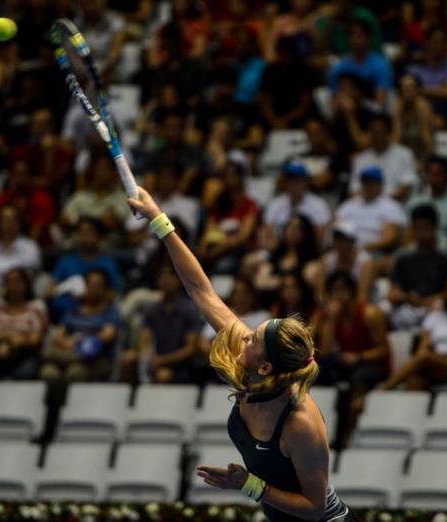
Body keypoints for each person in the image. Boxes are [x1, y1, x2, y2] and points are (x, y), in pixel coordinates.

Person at [127, 185, 356, 522]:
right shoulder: (257, 362)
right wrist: (159, 220)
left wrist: (250, 485)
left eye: (253, 339)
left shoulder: (300, 423)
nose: (243, 335)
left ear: (264, 367)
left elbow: (316, 507)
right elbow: (199, 288)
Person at [316, 271, 390, 441]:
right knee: (320, 369)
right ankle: (321, 427)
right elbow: (325, 351)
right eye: (333, 292)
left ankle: (348, 436)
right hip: (350, 362)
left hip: (373, 364)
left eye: (342, 290)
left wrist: (359, 357)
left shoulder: (370, 314)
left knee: (359, 376)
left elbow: (383, 351)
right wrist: (333, 321)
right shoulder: (335, 317)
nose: (338, 296)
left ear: (353, 292)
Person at [381, 273, 447, 391]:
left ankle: (385, 388)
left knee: (424, 357)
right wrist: (433, 356)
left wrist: (440, 355)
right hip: (432, 363)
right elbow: (423, 346)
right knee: (415, 380)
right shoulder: (434, 316)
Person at [121, 264, 202, 385]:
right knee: (129, 358)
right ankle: (130, 400)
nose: (165, 280)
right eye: (162, 276)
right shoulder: (152, 310)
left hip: (179, 365)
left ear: (179, 281)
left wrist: (162, 361)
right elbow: (145, 340)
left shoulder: (189, 310)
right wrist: (148, 357)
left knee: (163, 375)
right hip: (154, 359)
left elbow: (190, 349)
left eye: (170, 276)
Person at [41, 268, 120, 383]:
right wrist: (70, 344)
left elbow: (107, 336)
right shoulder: (73, 309)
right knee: (49, 372)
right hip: (69, 349)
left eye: (98, 285)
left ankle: (63, 358)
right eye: (89, 284)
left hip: (95, 358)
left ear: (105, 289)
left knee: (75, 372)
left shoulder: (110, 312)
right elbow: (58, 336)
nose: (93, 288)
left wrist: (78, 343)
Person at [387, 205, 447, 330]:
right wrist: (404, 297)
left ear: (435, 228)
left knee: (439, 309)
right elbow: (394, 290)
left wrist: (425, 302)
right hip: (409, 307)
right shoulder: (403, 257)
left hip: (437, 306)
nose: (421, 233)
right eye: (417, 228)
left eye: (425, 228)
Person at [336, 166, 407, 254]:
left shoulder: (391, 207)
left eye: (372, 183)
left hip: (375, 253)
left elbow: (389, 239)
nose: (368, 186)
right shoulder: (348, 206)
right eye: (365, 182)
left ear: (381, 184)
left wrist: (362, 249)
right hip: (345, 252)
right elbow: (337, 231)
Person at [407, 156, 447, 251]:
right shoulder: (415, 203)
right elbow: (408, 237)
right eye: (431, 174)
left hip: (443, 256)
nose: (434, 179)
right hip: (416, 254)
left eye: (438, 175)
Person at [349, 113, 418, 201]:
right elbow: (352, 192)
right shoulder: (360, 159)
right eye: (372, 131)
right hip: (366, 207)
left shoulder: (404, 154)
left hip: (395, 206)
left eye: (379, 131)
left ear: (389, 132)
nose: (375, 135)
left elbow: (404, 189)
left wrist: (381, 203)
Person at [262, 162, 331, 249]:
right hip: (280, 252)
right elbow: (268, 236)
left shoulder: (319, 205)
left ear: (305, 181)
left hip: (309, 252)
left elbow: (320, 240)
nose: (292, 183)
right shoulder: (275, 204)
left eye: (296, 179)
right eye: (289, 179)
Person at [0, 205, 42, 293]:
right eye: (5, 220)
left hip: (20, 296)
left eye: (13, 219)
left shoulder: (30, 246)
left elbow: (29, 278)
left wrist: (4, 291)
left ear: (19, 223)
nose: (9, 223)